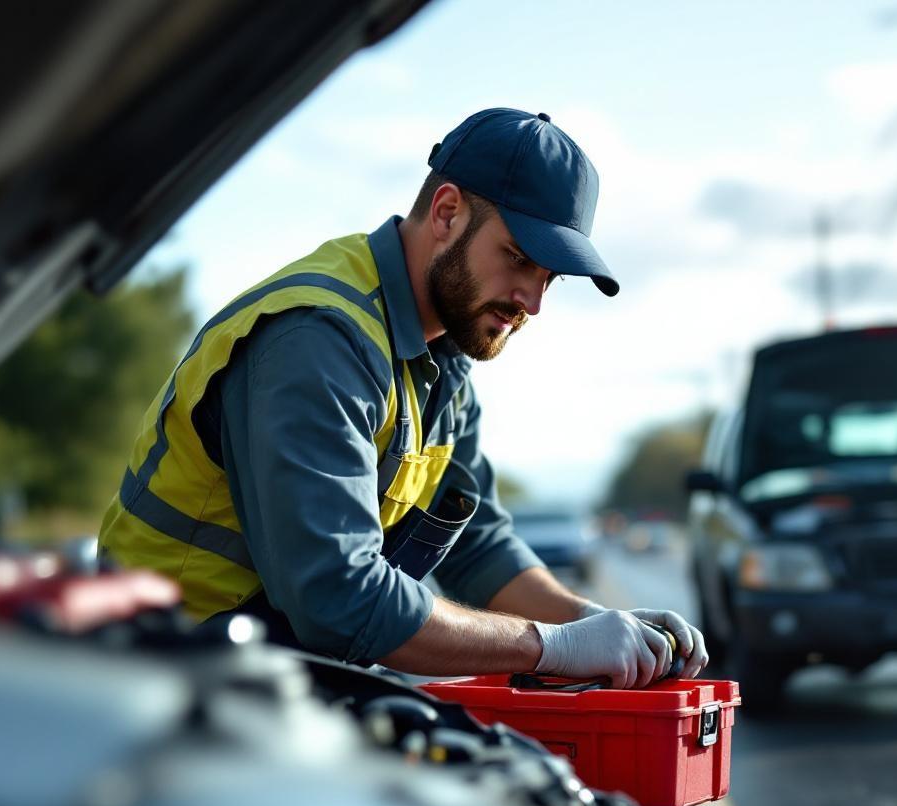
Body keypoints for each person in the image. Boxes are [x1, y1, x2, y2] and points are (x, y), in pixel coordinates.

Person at [99, 108, 706, 688]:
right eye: (518, 258)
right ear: (445, 213)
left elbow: (478, 543)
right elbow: (342, 599)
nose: (532, 301)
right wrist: (555, 647)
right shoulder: (318, 340)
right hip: (157, 676)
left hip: (262, 670)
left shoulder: (444, 353)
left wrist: (591, 623)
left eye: (549, 278)